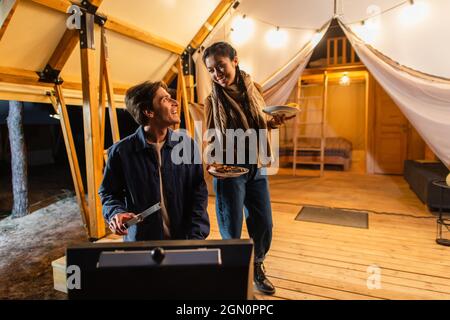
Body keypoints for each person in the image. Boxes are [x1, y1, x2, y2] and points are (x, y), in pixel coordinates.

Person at [202, 41, 292, 295]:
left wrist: (273, 122)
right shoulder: (212, 100)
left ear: (235, 60)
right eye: (211, 70)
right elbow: (209, 136)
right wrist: (211, 162)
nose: (217, 74)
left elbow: (261, 121)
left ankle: (258, 266)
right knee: (231, 225)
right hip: (229, 169)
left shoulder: (255, 89)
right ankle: (235, 271)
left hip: (256, 166)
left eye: (221, 66)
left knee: (264, 222)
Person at [99, 81, 210, 241]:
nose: (175, 103)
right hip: (141, 244)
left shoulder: (186, 145)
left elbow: (198, 192)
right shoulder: (121, 152)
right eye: (165, 99)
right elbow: (109, 193)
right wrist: (116, 213)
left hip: (184, 240)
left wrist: (196, 235)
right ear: (148, 112)